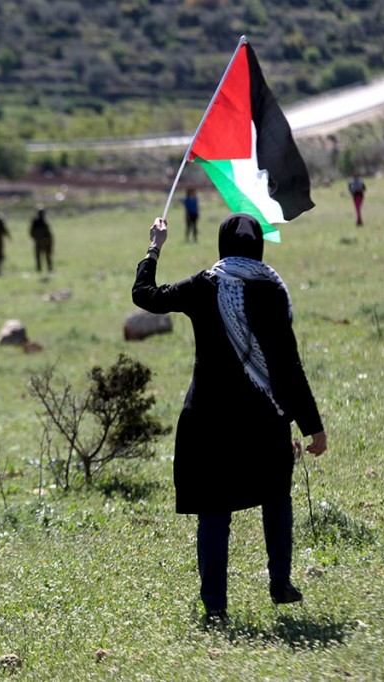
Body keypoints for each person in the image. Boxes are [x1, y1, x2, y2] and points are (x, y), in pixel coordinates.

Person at [131, 213, 327, 625]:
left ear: (222, 244)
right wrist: (313, 426)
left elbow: (145, 295)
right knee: (276, 496)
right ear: (258, 245)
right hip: (263, 417)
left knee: (214, 513)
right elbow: (288, 365)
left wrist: (155, 246)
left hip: (208, 418)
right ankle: (280, 583)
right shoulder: (273, 290)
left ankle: (216, 609)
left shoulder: (204, 285)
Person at [29, 206, 53, 273]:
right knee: (46, 256)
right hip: (44, 242)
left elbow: (31, 232)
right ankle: (48, 269)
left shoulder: (35, 222)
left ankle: (41, 269)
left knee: (40, 257)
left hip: (39, 242)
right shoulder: (45, 222)